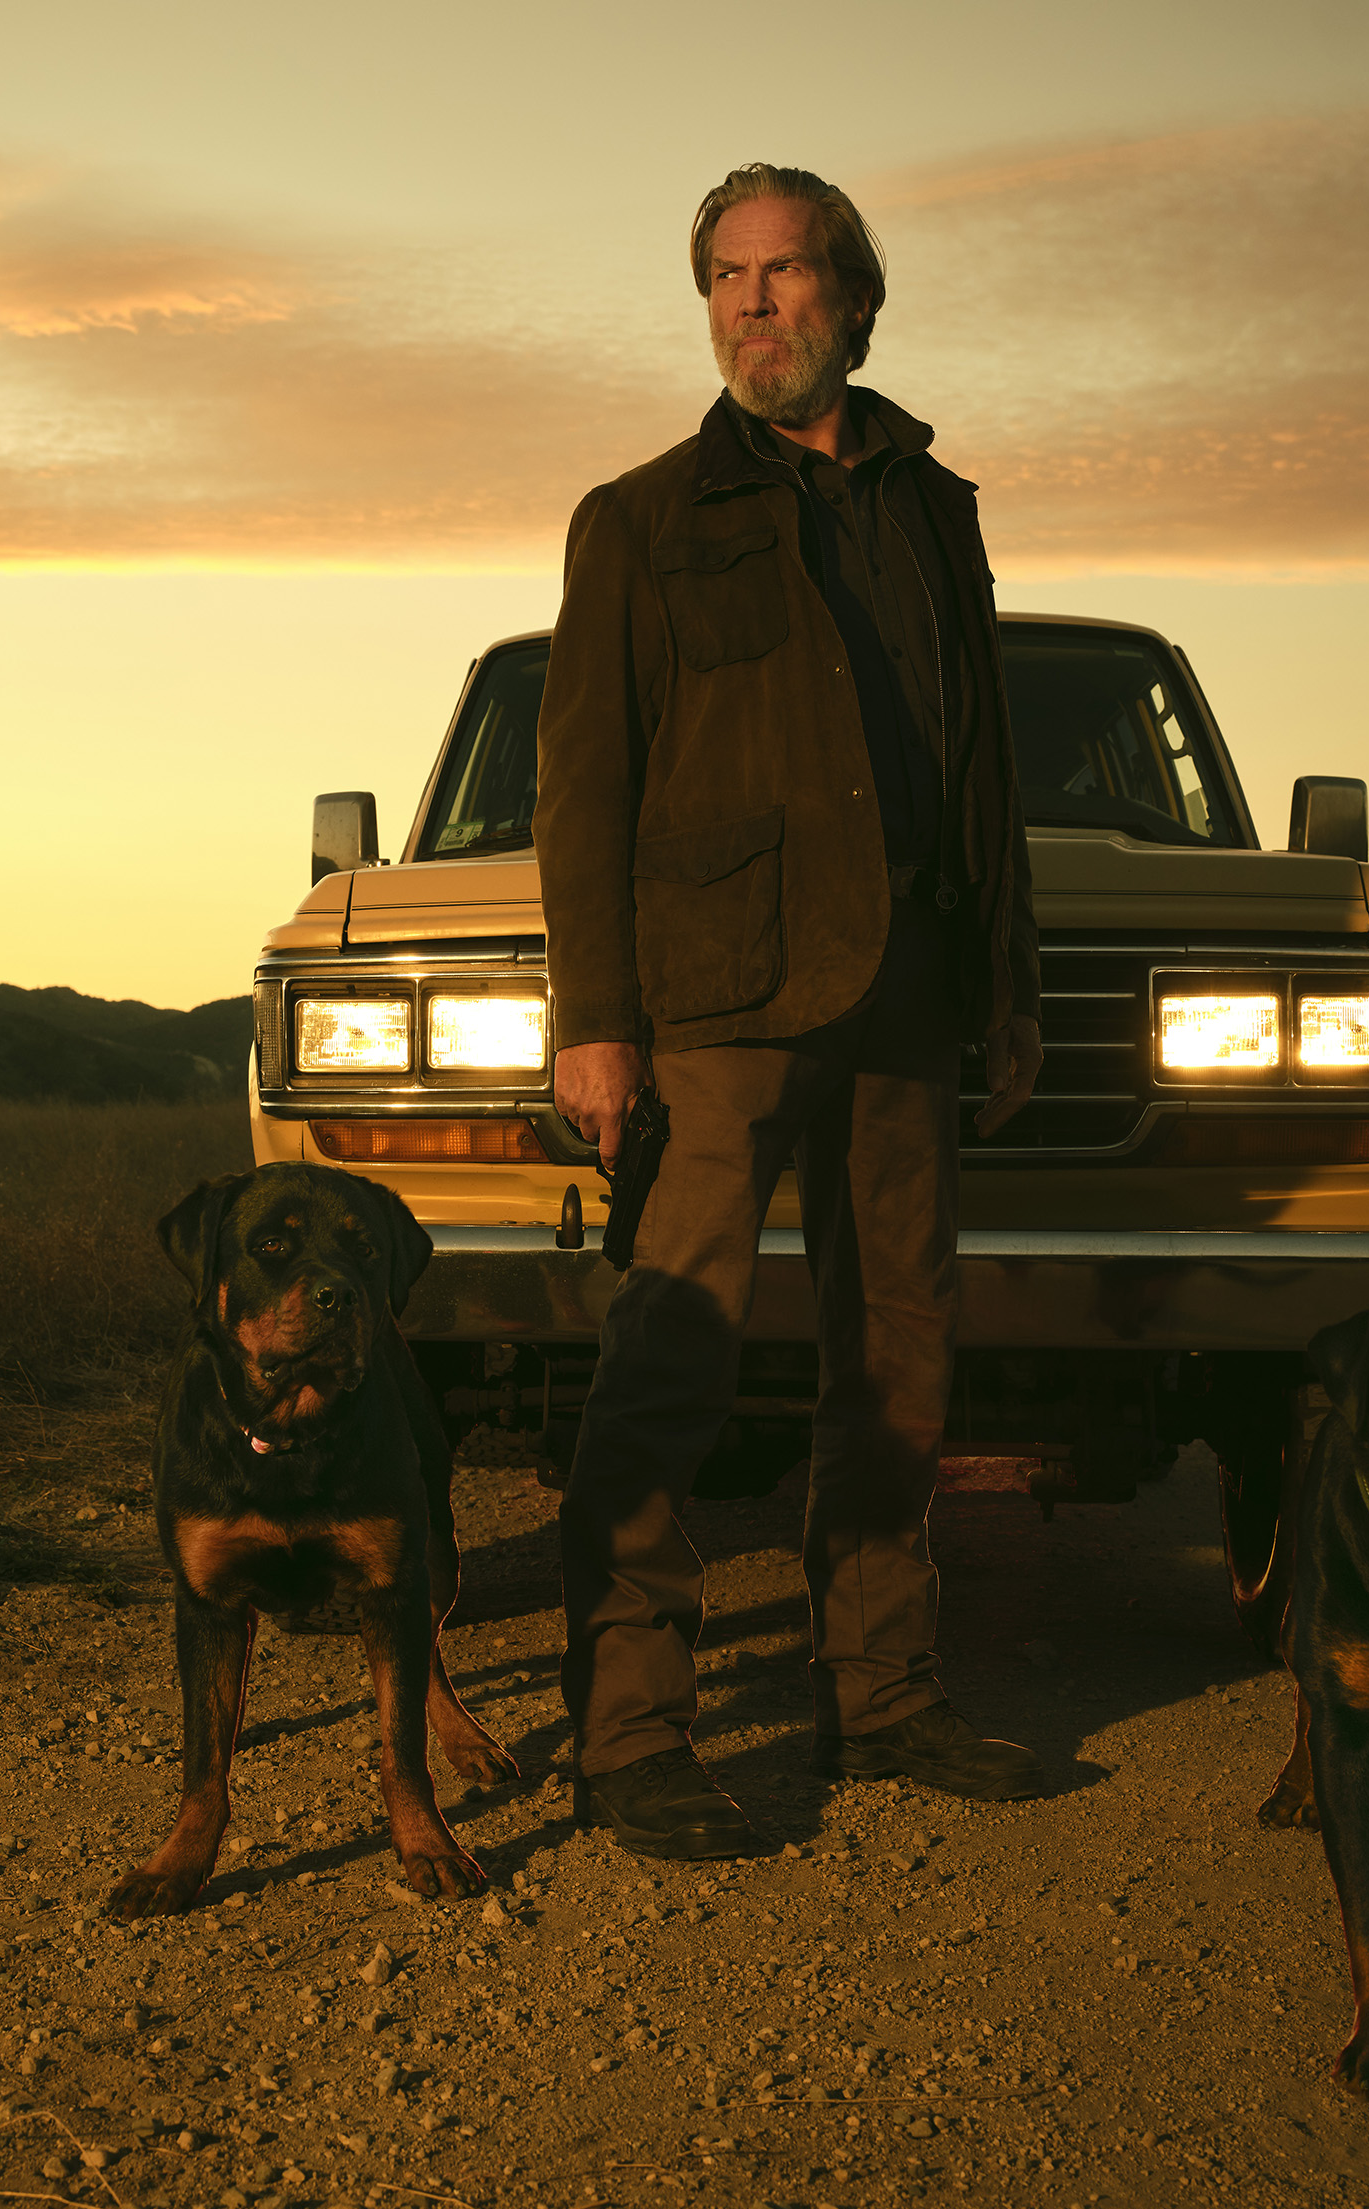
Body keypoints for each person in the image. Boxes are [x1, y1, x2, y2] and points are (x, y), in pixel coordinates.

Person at [535, 162, 1047, 1861]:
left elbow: (982, 775)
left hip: (911, 986)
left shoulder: (936, 503)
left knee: (897, 1357)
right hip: (715, 1004)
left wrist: (1006, 988)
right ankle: (631, 1731)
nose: (757, 303)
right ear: (709, 308)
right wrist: (595, 1019)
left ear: (856, 297)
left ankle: (885, 1692)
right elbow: (582, 789)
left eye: (789, 272)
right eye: (730, 279)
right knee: (669, 1358)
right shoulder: (638, 518)